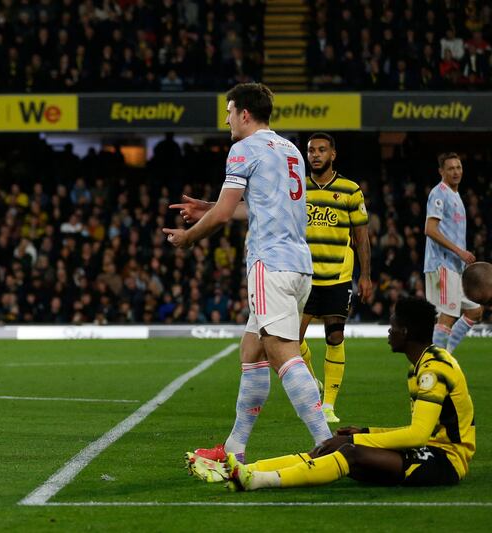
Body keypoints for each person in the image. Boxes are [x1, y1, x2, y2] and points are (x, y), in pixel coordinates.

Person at [164, 83, 332, 464]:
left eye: (229, 111)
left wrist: (189, 237)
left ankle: (327, 443)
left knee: (280, 350)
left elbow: (224, 215)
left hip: (268, 263)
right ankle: (234, 449)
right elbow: (256, 206)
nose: (225, 119)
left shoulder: (243, 149)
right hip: (298, 263)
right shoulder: (289, 149)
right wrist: (209, 205)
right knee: (251, 349)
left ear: (244, 113)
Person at [188, 297, 475, 491]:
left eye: (393, 324)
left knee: (347, 450)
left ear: (406, 331)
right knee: (334, 450)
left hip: (446, 462)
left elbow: (418, 435)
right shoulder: (422, 366)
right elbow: (421, 432)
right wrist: (367, 430)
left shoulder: (431, 370)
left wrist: (355, 438)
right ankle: (244, 469)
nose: (389, 331)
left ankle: (259, 480)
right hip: (431, 452)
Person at [298, 132, 372, 424]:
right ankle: (313, 382)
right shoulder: (298, 188)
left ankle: (327, 405)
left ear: (333, 155)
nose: (315, 155)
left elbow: (362, 237)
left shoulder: (350, 190)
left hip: (338, 276)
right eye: (311, 150)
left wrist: (365, 275)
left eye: (321, 150)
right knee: (292, 340)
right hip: (303, 275)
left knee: (335, 336)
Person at [423, 153, 481, 353]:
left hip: (456, 266)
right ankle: (436, 365)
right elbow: (430, 229)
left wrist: (462, 256)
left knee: (475, 310)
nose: (456, 172)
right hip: (442, 264)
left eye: (459, 167)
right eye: (451, 168)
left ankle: (444, 357)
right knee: (447, 316)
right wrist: (459, 251)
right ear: (441, 171)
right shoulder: (439, 193)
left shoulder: (455, 195)